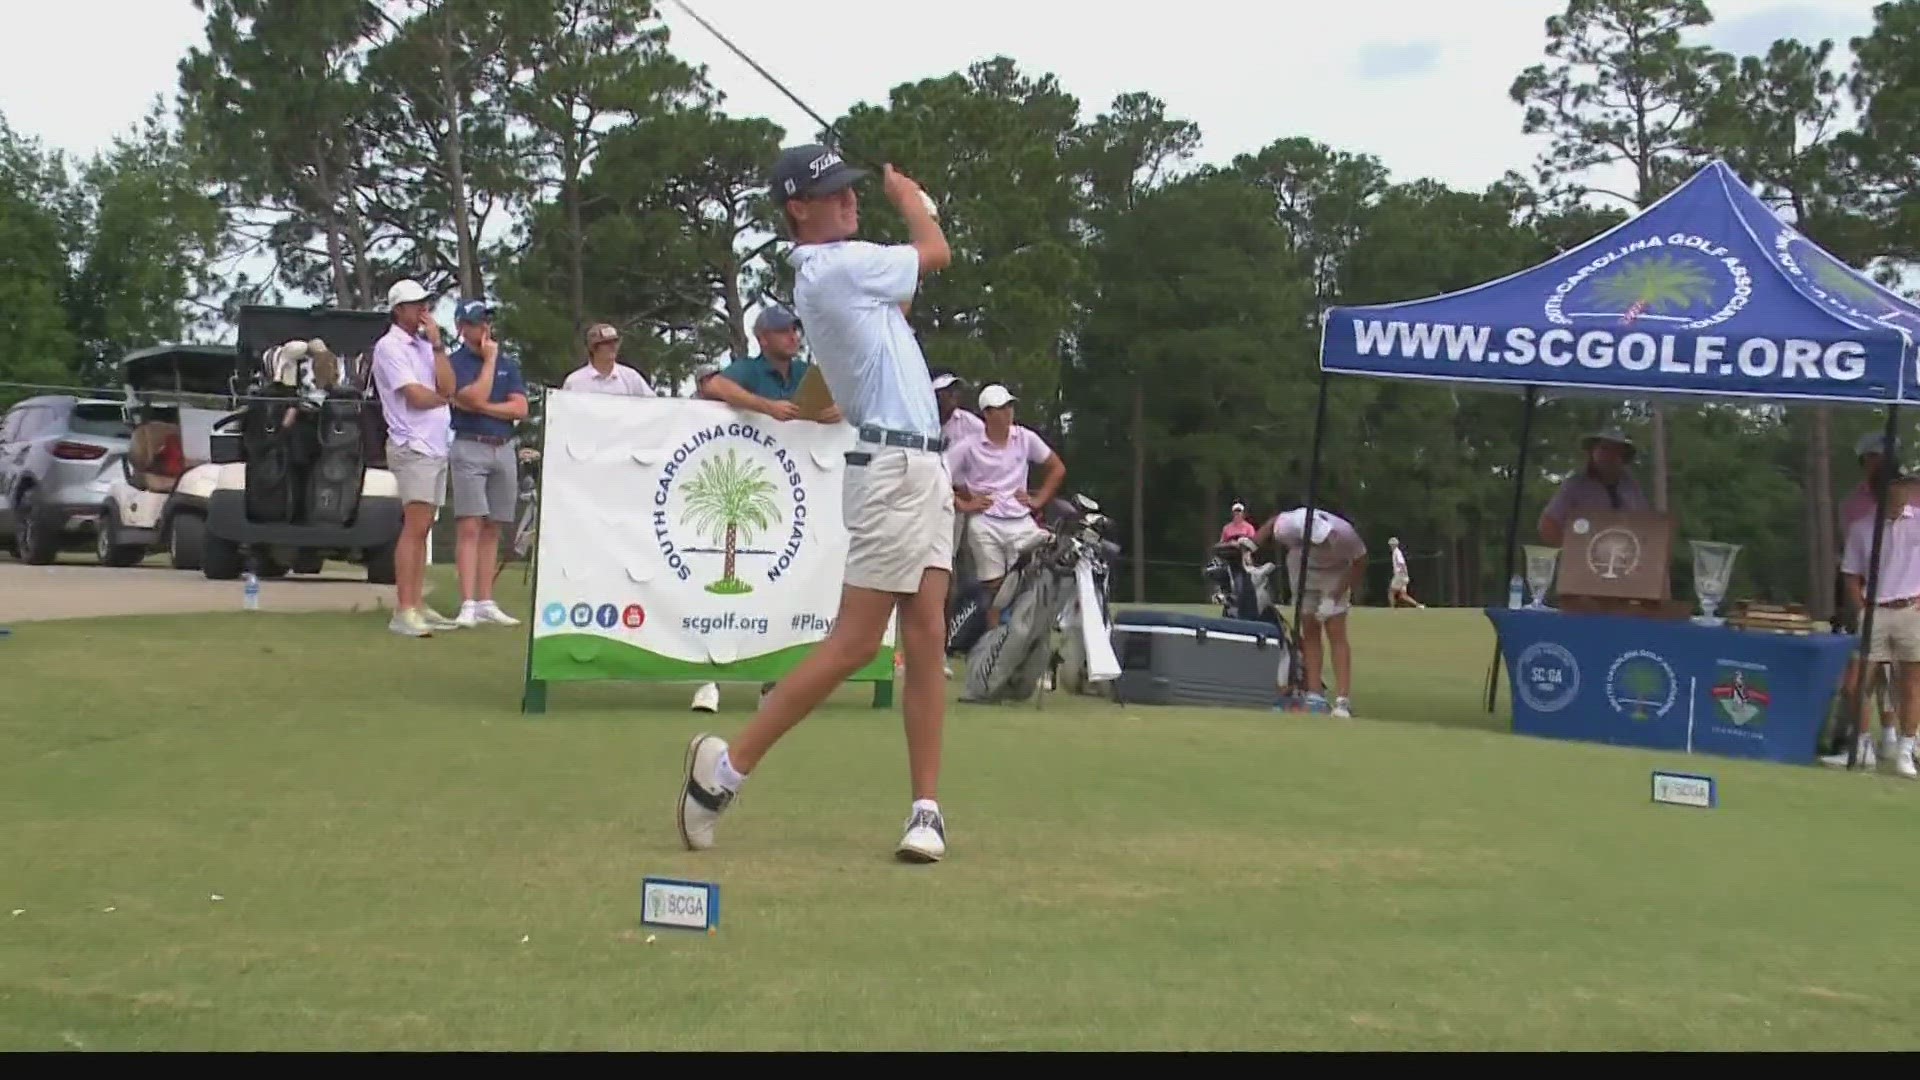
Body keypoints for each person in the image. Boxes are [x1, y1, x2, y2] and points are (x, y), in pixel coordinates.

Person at [676, 144, 955, 863]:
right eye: (833, 194)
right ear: (799, 208)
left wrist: (802, 408)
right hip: (893, 466)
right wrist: (911, 198)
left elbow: (884, 316)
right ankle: (722, 774)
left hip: (919, 464)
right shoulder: (835, 266)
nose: (849, 200)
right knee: (858, 643)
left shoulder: (843, 275)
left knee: (925, 638)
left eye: (853, 191)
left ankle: (926, 811)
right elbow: (936, 253)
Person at [687, 303, 843, 714]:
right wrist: (766, 407)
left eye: (795, 330)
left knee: (781, 590)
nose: (793, 336)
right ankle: (710, 679)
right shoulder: (749, 369)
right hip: (742, 495)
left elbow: (846, 399)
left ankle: (773, 682)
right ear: (763, 338)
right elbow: (714, 387)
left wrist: (836, 411)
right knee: (727, 592)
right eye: (784, 331)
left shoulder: (809, 373)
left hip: (793, 501)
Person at [370, 278, 458, 638]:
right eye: (415, 304)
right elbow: (416, 397)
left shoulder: (424, 346)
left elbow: (447, 386)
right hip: (413, 445)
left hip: (436, 444)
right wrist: (443, 399)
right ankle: (404, 609)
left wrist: (437, 346)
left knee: (424, 528)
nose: (424, 309)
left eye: (425, 302)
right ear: (398, 310)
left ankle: (416, 604)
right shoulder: (389, 347)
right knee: (415, 526)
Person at [944, 383, 1066, 627]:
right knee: (994, 591)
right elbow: (938, 474)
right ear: (987, 414)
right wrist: (964, 506)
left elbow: (1057, 467)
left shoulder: (1025, 438)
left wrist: (1038, 500)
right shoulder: (969, 446)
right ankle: (993, 650)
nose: (1008, 412)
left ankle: (1024, 642)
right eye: (1001, 408)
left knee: (1034, 580)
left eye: (1010, 406)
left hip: (1021, 521)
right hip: (985, 522)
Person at [446, 299, 527, 628]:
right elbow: (469, 395)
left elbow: (520, 408)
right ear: (462, 328)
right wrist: (490, 363)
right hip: (470, 446)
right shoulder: (455, 363)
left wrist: (484, 407)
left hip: (503, 447)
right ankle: (467, 602)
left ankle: (485, 599)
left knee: (494, 526)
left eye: (487, 323)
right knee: (470, 525)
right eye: (478, 323)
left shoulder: (510, 364)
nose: (485, 329)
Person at [1827, 434, 1903, 768]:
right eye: (1873, 457)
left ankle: (1891, 736)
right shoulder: (1856, 504)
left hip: (1903, 598)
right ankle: (1860, 742)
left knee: (1894, 675)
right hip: (1864, 594)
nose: (1878, 463)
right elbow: (1853, 556)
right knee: (1861, 675)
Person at [1840, 471, 1920, 778]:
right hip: (1875, 610)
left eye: (1903, 488)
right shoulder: (1863, 529)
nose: (1899, 495)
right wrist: (1861, 608)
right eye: (1893, 489)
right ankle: (1862, 748)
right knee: (1857, 684)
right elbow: (1850, 573)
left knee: (1910, 684)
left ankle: (1904, 750)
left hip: (1910, 609)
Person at [1257, 505, 1366, 717]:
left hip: (1336, 573)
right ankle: (1315, 695)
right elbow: (1271, 524)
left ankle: (1343, 701)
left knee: (1336, 631)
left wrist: (1334, 597)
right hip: (1302, 570)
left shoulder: (1345, 535)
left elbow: (1360, 564)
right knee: (1310, 631)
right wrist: (1251, 545)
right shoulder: (1289, 525)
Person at [1538, 428, 1650, 544]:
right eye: (1604, 449)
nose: (1609, 455)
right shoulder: (1575, 485)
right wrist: (1574, 548)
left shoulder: (1632, 488)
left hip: (1625, 556)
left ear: (1624, 457)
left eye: (1616, 451)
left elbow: (1645, 525)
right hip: (1583, 558)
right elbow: (1548, 526)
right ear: (1592, 452)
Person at [562, 323, 654, 395]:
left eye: (615, 342)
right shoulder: (574, 381)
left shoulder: (631, 378)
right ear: (593, 347)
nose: (613, 346)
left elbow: (653, 405)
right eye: (606, 343)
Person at [1387, 536, 1423, 608]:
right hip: (1403, 576)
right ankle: (1419, 605)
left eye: (1391, 544)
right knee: (1403, 595)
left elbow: (1402, 563)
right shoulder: (1397, 552)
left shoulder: (1396, 552)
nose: (1390, 546)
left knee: (1391, 592)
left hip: (1399, 576)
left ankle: (1392, 609)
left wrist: (1402, 572)